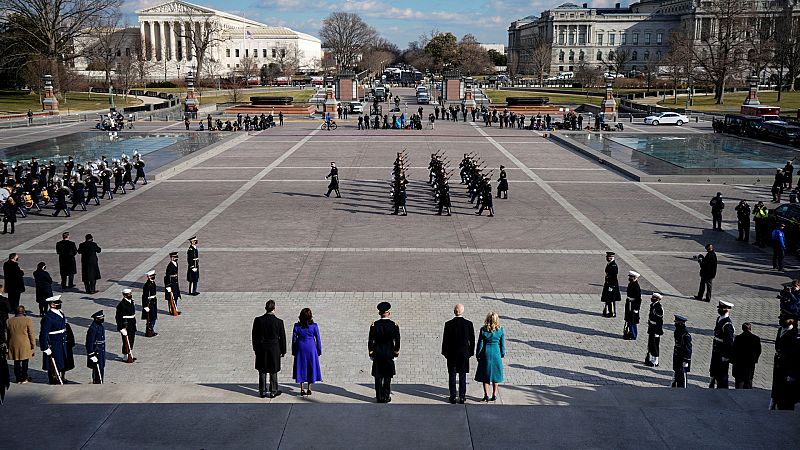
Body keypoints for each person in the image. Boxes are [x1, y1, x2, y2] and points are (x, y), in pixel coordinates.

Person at [441, 303, 475, 404]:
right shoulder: (468, 324)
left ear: (454, 312)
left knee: (452, 375)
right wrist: (470, 353)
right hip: (464, 354)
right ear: (462, 311)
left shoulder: (448, 324)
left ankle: (452, 396)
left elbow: (445, 341)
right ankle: (462, 396)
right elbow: (472, 340)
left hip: (451, 355)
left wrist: (445, 353)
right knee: (462, 375)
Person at [252, 300, 286, 398]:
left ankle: (262, 391)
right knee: (273, 370)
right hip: (274, 349)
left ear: (265, 308)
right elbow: (282, 337)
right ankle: (273, 391)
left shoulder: (258, 320)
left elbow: (254, 336)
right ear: (274, 308)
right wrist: (283, 350)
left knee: (262, 370)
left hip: (261, 349)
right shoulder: (279, 322)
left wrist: (255, 348)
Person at [368, 301, 400, 403]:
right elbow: (397, 340)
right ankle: (386, 396)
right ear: (388, 313)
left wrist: (371, 353)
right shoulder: (394, 325)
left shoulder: (374, 325)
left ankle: (379, 396)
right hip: (388, 353)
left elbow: (371, 340)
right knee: (387, 376)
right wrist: (395, 353)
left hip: (378, 353)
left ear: (379, 313)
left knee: (378, 376)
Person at [770, 306, 800, 410]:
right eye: (780, 318)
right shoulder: (781, 330)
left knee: (786, 394)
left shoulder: (795, 335)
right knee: (778, 386)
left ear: (792, 321)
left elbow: (796, 358)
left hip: (787, 368)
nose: (781, 321)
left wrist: (792, 374)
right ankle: (775, 400)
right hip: (779, 365)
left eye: (784, 319)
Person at [475, 311, 505, 402]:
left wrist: (478, 354)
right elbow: (502, 345)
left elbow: (480, 344)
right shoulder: (500, 330)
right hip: (496, 353)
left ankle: (486, 395)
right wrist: (502, 354)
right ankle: (494, 394)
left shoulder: (483, 330)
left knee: (486, 375)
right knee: (496, 375)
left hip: (486, 353)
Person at [292, 307, 322, 396]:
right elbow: (318, 340)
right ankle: (309, 388)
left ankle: (301, 388)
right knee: (310, 366)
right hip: (311, 348)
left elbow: (294, 340)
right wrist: (319, 351)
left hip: (300, 348)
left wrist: (294, 351)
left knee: (301, 366)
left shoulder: (297, 326)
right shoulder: (314, 326)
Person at [40, 295, 67, 384]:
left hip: (61, 341)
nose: (59, 304)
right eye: (57, 303)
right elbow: (43, 334)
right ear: (52, 305)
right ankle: (53, 380)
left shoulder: (60, 312)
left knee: (61, 362)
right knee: (53, 364)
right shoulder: (48, 317)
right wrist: (45, 347)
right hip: (54, 343)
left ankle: (60, 378)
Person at [709, 300, 735, 389]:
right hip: (716, 350)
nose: (720, 310)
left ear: (727, 310)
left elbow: (729, 342)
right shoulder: (719, 318)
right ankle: (712, 383)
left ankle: (722, 390)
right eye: (719, 308)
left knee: (722, 374)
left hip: (722, 352)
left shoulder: (727, 324)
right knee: (714, 369)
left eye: (722, 308)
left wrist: (726, 355)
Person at [6, 305, 35, 384]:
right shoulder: (27, 320)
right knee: (25, 362)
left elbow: (7, 334)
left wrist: (7, 345)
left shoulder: (9, 321)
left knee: (16, 362)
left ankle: (18, 378)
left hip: (13, 344)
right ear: (23, 312)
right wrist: (33, 345)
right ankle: (24, 377)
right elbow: (31, 334)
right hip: (25, 344)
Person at [731, 322, 761, 389]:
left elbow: (734, 350)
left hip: (739, 365)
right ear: (750, 328)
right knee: (748, 382)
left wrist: (733, 361)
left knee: (739, 383)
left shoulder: (738, 338)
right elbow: (759, 351)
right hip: (750, 364)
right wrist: (755, 359)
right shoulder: (756, 339)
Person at [116, 289, 137, 363]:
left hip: (132, 323)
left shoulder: (131, 301)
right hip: (126, 324)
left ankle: (129, 353)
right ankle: (125, 356)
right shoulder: (121, 305)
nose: (130, 295)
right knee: (126, 340)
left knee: (131, 339)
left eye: (130, 293)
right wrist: (121, 328)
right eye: (128, 294)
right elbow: (118, 317)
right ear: (124, 295)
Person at [671, 314, 692, 388]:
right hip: (677, 356)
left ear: (680, 323)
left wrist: (686, 360)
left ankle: (683, 389)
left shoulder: (685, 334)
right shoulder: (677, 331)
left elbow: (688, 348)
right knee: (677, 373)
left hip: (682, 357)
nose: (675, 324)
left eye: (676, 322)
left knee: (682, 376)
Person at [85, 310, 106, 383]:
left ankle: (100, 381)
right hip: (96, 351)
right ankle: (96, 382)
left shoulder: (100, 326)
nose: (102, 319)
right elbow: (89, 342)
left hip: (101, 350)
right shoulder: (93, 328)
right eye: (100, 318)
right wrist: (91, 354)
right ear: (96, 318)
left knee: (101, 367)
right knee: (97, 369)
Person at [645, 293, 664, 367]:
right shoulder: (653, 305)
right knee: (651, 344)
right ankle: (651, 359)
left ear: (657, 299)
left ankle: (655, 361)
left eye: (654, 298)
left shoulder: (658, 307)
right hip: (652, 327)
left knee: (655, 345)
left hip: (656, 329)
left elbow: (659, 321)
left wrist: (657, 331)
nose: (652, 298)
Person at [601, 251, 621, 317]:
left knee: (611, 299)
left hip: (612, 285)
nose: (607, 258)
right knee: (608, 299)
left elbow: (614, 276)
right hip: (608, 283)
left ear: (612, 257)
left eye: (608, 257)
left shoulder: (613, 265)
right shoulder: (609, 264)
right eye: (607, 257)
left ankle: (612, 313)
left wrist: (611, 286)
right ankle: (609, 311)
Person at [623, 271, 642, 340]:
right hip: (629, 303)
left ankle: (633, 334)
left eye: (631, 277)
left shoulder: (636, 286)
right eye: (629, 277)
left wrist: (636, 308)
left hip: (633, 305)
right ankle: (630, 332)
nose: (630, 278)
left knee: (632, 320)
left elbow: (638, 299)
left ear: (635, 278)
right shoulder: (631, 284)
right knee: (628, 319)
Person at [142, 270, 158, 337]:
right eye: (152, 276)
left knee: (153, 317)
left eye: (154, 275)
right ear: (148, 277)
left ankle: (151, 330)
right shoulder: (147, 285)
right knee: (151, 318)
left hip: (153, 301)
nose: (153, 276)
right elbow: (144, 296)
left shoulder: (152, 283)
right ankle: (150, 331)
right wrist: (145, 306)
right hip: (149, 302)